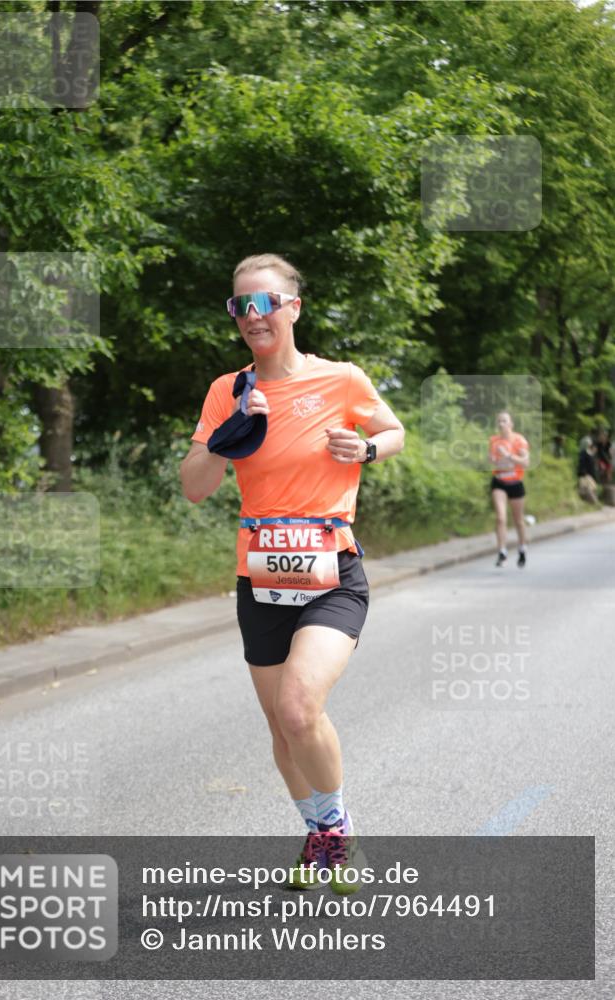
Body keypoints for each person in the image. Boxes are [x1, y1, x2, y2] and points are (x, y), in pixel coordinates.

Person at [180, 253, 404, 894]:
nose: (252, 317)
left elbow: (394, 432)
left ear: (292, 308)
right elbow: (195, 488)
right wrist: (222, 440)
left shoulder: (341, 379)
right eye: (239, 307)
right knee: (282, 726)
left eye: (264, 303)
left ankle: (337, 831)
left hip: (333, 574)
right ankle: (318, 832)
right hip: (262, 580)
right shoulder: (229, 391)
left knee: (299, 707)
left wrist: (365, 448)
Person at [488, 411, 530, 567]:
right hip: (499, 481)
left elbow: (525, 463)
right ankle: (502, 551)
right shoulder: (494, 441)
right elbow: (491, 460)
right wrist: (492, 459)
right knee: (500, 517)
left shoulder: (519, 440)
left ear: (511, 424)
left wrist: (508, 456)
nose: (501, 424)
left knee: (518, 520)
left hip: (515, 483)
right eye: (499, 421)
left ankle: (522, 548)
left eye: (504, 421)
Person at [577, 436, 599, 504]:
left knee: (592, 487)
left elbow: (592, 467)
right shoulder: (583, 453)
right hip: (584, 474)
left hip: (590, 475)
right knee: (586, 488)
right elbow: (582, 464)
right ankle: (588, 501)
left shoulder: (590, 454)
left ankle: (591, 502)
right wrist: (584, 472)